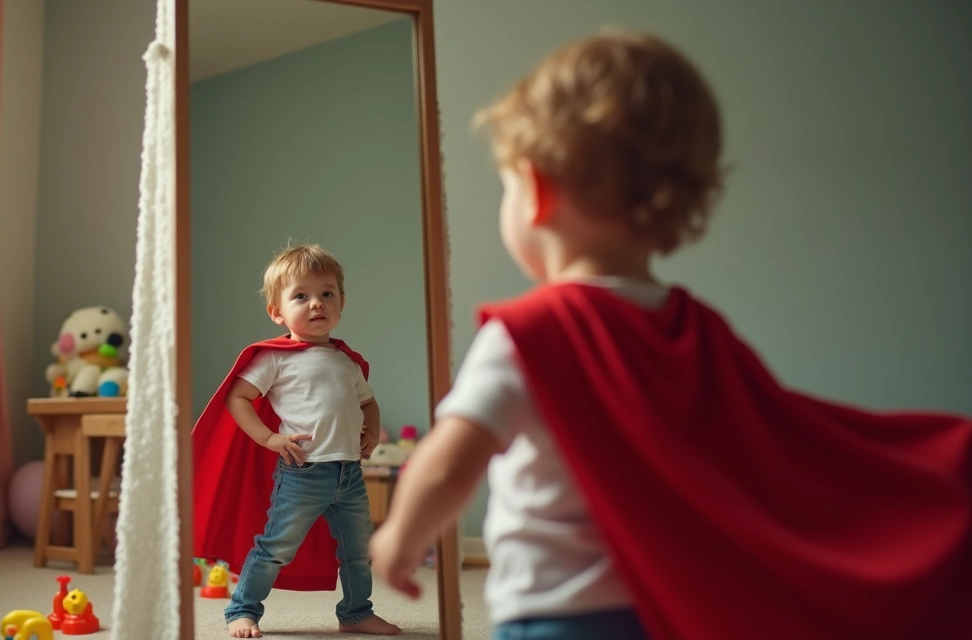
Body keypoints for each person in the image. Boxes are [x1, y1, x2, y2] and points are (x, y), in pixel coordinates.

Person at [368, 28, 972, 640]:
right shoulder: (698, 328)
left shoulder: (528, 333)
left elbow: (450, 461)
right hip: (664, 610)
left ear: (537, 191)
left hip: (555, 617)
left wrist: (399, 536)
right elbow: (764, 451)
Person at [190, 244, 400, 638]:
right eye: (301, 296)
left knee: (358, 552)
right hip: (303, 472)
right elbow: (238, 397)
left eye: (327, 294)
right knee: (275, 548)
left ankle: (355, 613)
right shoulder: (275, 358)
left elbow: (368, 403)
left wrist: (371, 430)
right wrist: (268, 436)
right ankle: (242, 610)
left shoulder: (346, 361)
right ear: (277, 312)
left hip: (349, 474)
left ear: (340, 303)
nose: (316, 303)